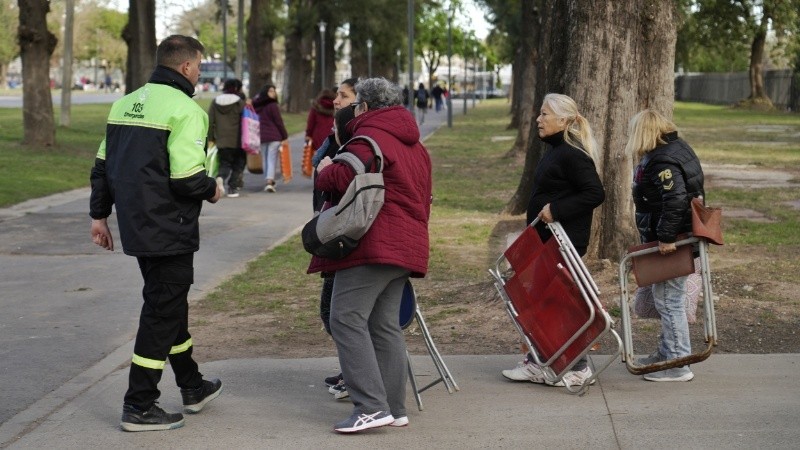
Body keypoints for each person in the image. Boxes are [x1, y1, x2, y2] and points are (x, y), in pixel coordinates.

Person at [89, 34, 223, 432]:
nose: (200, 72)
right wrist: (213, 189)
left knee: (169, 304)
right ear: (185, 67)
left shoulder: (123, 104)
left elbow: (102, 166)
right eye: (199, 65)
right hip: (170, 228)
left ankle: (192, 385)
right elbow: (186, 178)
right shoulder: (187, 110)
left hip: (136, 227)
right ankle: (140, 405)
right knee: (162, 312)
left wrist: (99, 216)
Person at [308, 77, 432, 433]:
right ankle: (394, 407)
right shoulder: (415, 145)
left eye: (353, 102)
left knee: (344, 319)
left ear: (363, 107)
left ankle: (371, 407)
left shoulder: (369, 137)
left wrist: (323, 172)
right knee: (384, 327)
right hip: (406, 245)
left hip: (371, 243)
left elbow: (344, 176)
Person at [501, 93, 605, 388]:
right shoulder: (556, 151)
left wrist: (556, 210)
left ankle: (580, 368)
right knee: (542, 302)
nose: (538, 119)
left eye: (545, 114)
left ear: (563, 120)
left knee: (560, 305)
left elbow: (595, 193)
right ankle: (539, 361)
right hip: (547, 242)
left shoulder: (573, 154)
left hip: (564, 242)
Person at [626, 109, 705, 382]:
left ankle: (679, 363)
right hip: (679, 236)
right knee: (665, 299)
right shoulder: (677, 149)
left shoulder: (662, 161)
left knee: (669, 301)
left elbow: (675, 199)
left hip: (673, 241)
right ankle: (666, 354)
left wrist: (667, 237)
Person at [307, 78, 359, 399]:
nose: (336, 101)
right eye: (337, 95)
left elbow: (337, 178)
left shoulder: (356, 140)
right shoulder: (338, 134)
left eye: (344, 96)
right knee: (333, 312)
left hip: (345, 237)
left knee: (336, 313)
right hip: (331, 232)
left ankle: (356, 375)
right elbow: (316, 163)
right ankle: (351, 370)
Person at [208, 78, 246, 198]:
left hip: (221, 139)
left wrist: (211, 137)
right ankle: (232, 187)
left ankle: (220, 178)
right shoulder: (239, 102)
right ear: (237, 88)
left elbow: (210, 120)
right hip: (238, 139)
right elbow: (245, 120)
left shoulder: (215, 101)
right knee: (239, 163)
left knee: (224, 163)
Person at [252, 83, 288, 192]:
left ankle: (269, 180)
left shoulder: (257, 106)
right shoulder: (272, 105)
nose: (273, 93)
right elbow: (279, 122)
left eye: (274, 91)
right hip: (274, 135)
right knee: (271, 159)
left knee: (265, 158)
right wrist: (284, 135)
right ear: (266, 93)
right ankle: (269, 181)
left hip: (261, 136)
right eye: (271, 91)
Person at [305, 89, 336, 156]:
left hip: (317, 138)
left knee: (318, 159)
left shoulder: (315, 107)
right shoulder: (335, 106)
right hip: (331, 137)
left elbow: (310, 123)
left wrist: (308, 135)